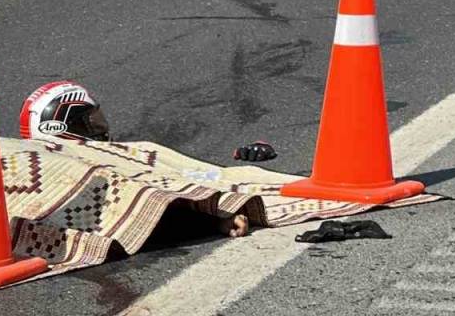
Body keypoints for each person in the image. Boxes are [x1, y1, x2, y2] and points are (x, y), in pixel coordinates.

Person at [19, 81, 281, 238]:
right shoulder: (80, 171)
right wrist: (215, 219)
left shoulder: (30, 163)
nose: (100, 129)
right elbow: (142, 214)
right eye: (90, 122)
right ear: (61, 127)